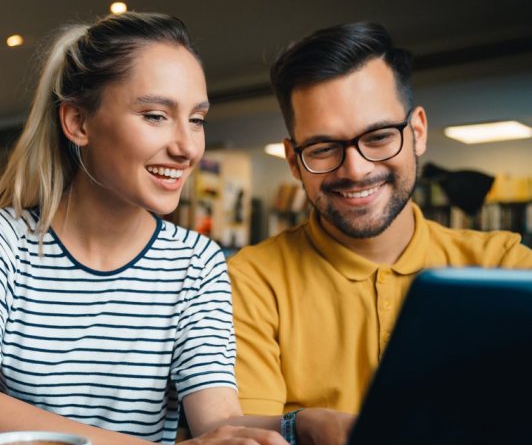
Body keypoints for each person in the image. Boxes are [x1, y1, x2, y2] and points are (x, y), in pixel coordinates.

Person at [0, 12, 349, 445]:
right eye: (155, 115)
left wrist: (309, 428)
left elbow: (218, 425)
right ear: (78, 121)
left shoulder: (198, 261)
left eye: (196, 120)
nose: (187, 147)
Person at [228, 22, 532, 418]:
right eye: (323, 148)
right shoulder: (251, 282)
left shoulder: (505, 267)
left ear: (418, 131)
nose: (355, 170)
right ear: (293, 161)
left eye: (379, 137)